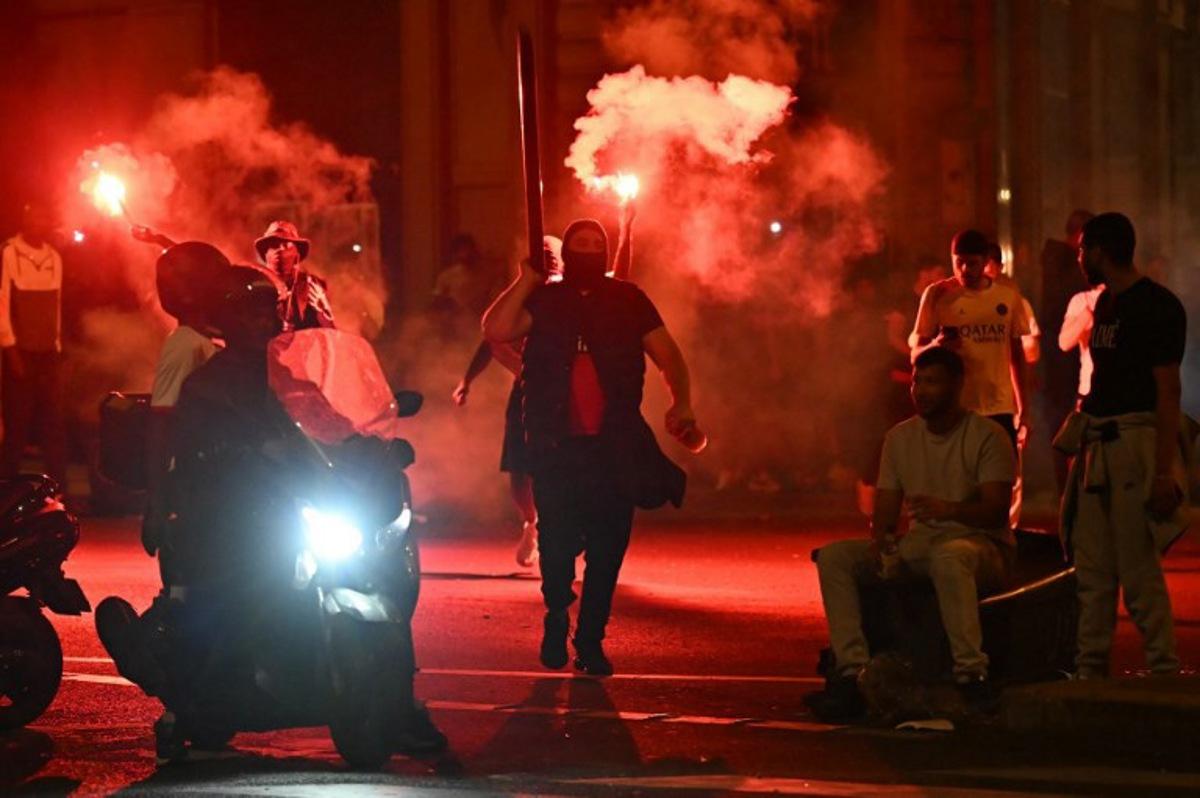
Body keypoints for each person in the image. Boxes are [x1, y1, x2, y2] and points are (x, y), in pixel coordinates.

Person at [482, 218, 695, 676]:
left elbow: (668, 354)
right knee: (557, 549)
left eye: (597, 244)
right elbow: (497, 329)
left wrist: (683, 403)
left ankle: (591, 640)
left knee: (606, 551)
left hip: (613, 448)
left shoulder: (628, 299)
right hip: (556, 448)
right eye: (580, 244)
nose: (589, 251)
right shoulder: (545, 299)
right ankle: (557, 613)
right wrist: (526, 279)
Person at [807, 347, 1015, 720]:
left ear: (956, 385)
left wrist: (949, 510)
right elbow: (886, 508)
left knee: (949, 557)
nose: (920, 390)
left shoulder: (988, 436)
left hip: (981, 548)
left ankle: (971, 674)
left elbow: (997, 510)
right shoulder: (901, 438)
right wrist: (882, 541)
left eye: (932, 382)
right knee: (836, 556)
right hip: (922, 546)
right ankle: (855, 674)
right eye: (917, 382)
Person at [1055, 212, 1186, 680]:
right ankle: (1089, 667)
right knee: (1091, 568)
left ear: (1100, 251)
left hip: (1133, 443)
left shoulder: (1158, 307)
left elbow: (1167, 391)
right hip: (1098, 445)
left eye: (1082, 249)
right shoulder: (1104, 304)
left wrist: (1164, 471)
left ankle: (1163, 670)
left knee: (1137, 567)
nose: (1078, 258)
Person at [140, 243, 230, 576]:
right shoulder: (183, 344)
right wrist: (158, 502)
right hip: (196, 486)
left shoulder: (217, 341)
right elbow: (161, 423)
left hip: (223, 480)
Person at [911, 229, 1032, 450]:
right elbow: (915, 355)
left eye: (972, 263)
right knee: (957, 481)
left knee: (1000, 480)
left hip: (1000, 408)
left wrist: (1024, 408)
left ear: (986, 261)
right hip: (954, 408)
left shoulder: (1007, 296)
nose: (965, 269)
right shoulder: (937, 295)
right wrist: (936, 345)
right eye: (959, 263)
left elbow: (1017, 353)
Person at [0, 200, 68, 487]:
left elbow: (57, 305)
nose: (37, 224)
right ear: (25, 221)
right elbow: (2, 302)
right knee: (17, 425)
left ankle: (58, 491)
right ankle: (5, 490)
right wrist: (10, 348)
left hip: (48, 353)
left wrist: (57, 347)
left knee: (53, 425)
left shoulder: (54, 257)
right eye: (32, 218)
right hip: (21, 352)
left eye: (43, 219)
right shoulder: (9, 252)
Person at [253, 220, 334, 331]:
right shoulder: (255, 285)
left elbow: (329, 334)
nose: (280, 249)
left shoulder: (312, 286)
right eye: (274, 244)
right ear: (265, 254)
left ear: (297, 254)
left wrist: (323, 314)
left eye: (286, 245)